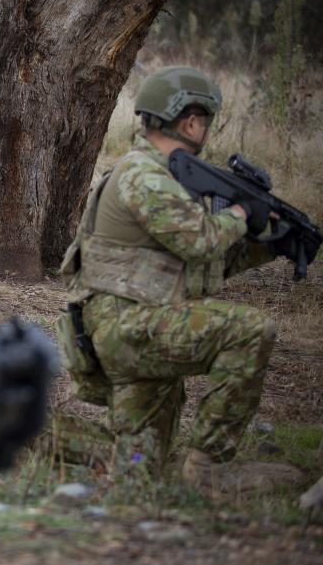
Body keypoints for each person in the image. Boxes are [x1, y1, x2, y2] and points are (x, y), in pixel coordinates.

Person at [55, 66, 304, 498]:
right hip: (133, 330)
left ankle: (22, 435)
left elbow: (205, 264)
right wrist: (243, 214)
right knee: (249, 331)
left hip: (137, 330)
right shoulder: (145, 177)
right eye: (204, 120)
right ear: (190, 121)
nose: (205, 129)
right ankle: (209, 469)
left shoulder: (163, 179)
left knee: (137, 469)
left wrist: (271, 244)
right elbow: (201, 240)